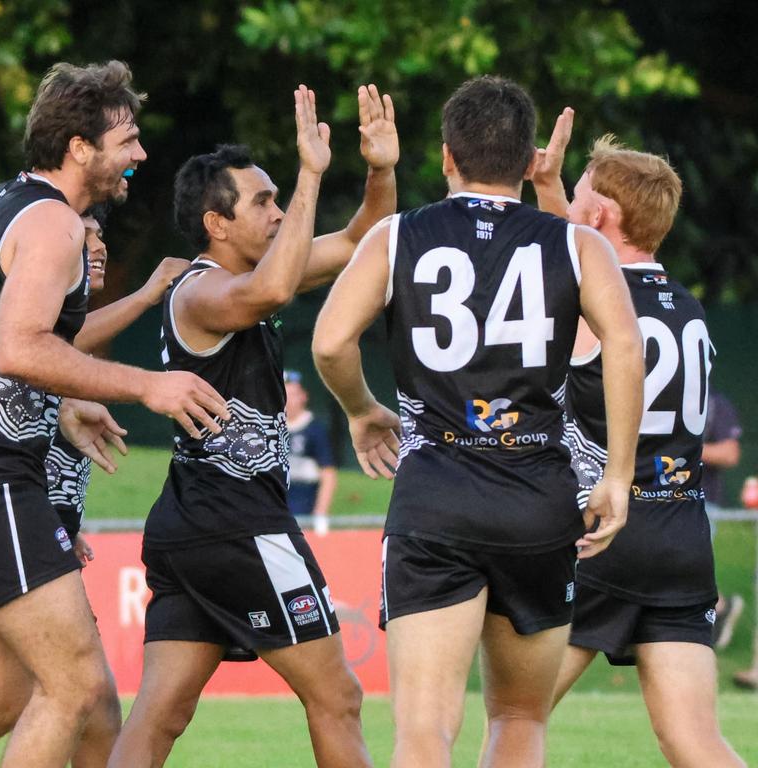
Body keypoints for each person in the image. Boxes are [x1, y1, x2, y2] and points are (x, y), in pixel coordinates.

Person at [0, 61, 227, 768]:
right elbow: (20, 348)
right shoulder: (56, 222)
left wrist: (59, 409)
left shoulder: (8, 204)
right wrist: (146, 386)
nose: (139, 154)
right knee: (76, 685)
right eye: (128, 138)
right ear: (80, 146)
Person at [312, 76, 644, 768]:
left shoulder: (398, 234)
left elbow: (330, 343)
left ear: (444, 158)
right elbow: (624, 342)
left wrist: (361, 410)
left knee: (424, 732)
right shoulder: (580, 246)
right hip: (537, 496)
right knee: (521, 715)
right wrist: (616, 473)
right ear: (530, 162)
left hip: (437, 489)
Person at [107, 83, 398, 768]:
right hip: (239, 526)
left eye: (276, 199)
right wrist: (308, 175)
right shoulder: (203, 291)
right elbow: (267, 290)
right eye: (261, 201)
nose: (275, 212)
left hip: (193, 527)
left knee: (161, 714)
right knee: (339, 697)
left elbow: (362, 240)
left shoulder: (253, 282)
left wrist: (380, 169)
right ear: (216, 222)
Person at [0, 207, 189, 768]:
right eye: (84, 236)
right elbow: (43, 355)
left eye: (101, 238)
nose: (96, 247)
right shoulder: (39, 329)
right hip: (5, 529)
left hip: (21, 529)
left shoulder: (52, 349)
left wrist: (63, 520)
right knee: (70, 694)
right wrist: (145, 297)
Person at [533, 118, 745, 766]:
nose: (565, 207)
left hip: (605, 531)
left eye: (577, 196)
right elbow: (577, 255)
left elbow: (568, 273)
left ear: (598, 215)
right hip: (682, 535)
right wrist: (550, 188)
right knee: (693, 740)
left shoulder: (595, 299)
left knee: (516, 718)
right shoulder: (686, 305)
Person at [702, 389, 745, 649]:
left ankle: (718, 607)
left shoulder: (715, 403)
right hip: (653, 498)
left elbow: (730, 454)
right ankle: (719, 607)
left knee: (683, 566)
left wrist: (681, 445)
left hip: (700, 501)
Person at [284, 370, 338, 532]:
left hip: (304, 502)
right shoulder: (270, 428)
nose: (287, 401)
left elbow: (328, 473)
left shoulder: (314, 429)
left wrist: (320, 513)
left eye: (292, 394)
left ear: (303, 396)